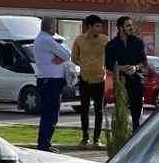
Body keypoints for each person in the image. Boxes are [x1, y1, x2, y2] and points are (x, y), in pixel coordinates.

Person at [31, 17, 71, 151]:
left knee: (48, 114)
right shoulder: (47, 40)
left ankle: (44, 142)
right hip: (51, 81)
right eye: (55, 26)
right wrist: (61, 58)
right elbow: (66, 54)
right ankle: (44, 144)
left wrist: (60, 58)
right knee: (51, 114)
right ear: (50, 26)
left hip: (46, 80)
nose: (56, 29)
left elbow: (64, 55)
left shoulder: (40, 39)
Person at [70, 14, 109, 147]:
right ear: (89, 26)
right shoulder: (79, 40)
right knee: (84, 109)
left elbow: (111, 56)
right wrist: (84, 64)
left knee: (99, 110)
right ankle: (85, 137)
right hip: (84, 79)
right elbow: (74, 57)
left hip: (99, 80)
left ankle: (97, 139)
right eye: (97, 26)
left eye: (101, 26)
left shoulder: (105, 40)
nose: (100, 28)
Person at [105, 16, 149, 128]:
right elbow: (108, 64)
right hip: (120, 83)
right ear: (120, 28)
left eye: (131, 25)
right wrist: (120, 68)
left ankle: (136, 135)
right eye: (128, 25)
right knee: (121, 113)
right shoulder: (111, 45)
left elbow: (144, 62)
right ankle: (122, 138)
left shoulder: (138, 42)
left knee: (137, 114)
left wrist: (135, 67)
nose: (131, 28)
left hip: (136, 81)